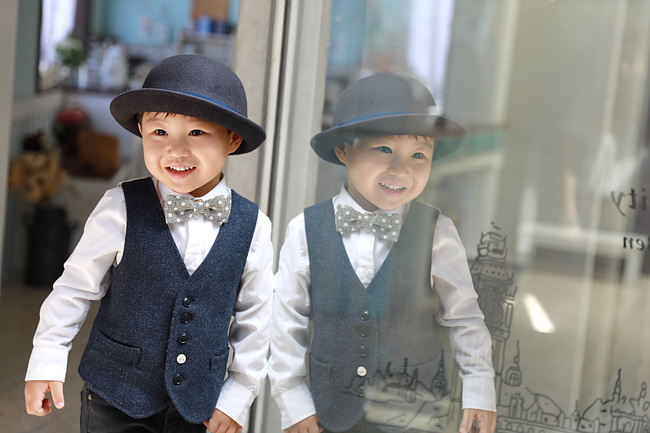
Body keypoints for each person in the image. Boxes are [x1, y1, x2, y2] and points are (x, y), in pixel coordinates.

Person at [24, 54, 273, 433]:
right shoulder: (119, 207)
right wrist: (47, 359)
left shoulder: (254, 227)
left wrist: (239, 393)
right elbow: (74, 289)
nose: (176, 149)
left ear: (232, 138)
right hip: (115, 396)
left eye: (196, 133)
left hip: (200, 404)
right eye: (159, 132)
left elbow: (256, 320)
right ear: (141, 130)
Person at [269, 73, 497, 433]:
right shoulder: (304, 230)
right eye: (384, 150)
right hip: (330, 413)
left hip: (410, 412)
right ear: (343, 150)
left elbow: (464, 318)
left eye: (418, 154)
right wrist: (293, 402)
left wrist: (479, 390)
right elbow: (286, 326)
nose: (401, 169)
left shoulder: (437, 232)